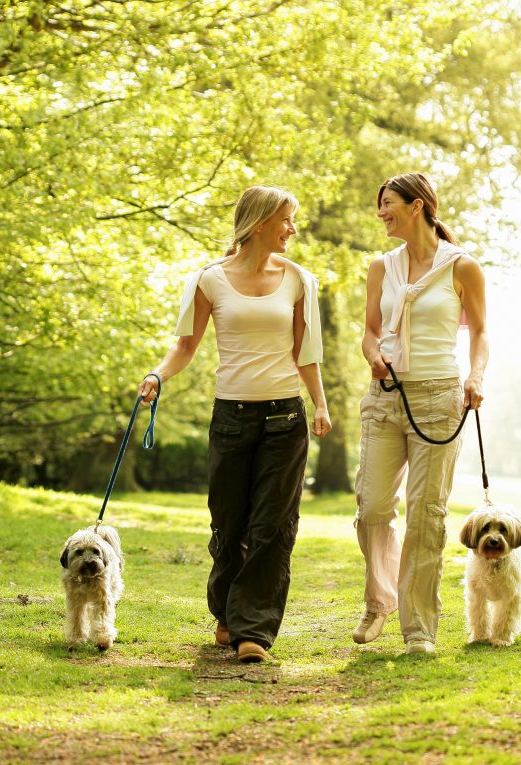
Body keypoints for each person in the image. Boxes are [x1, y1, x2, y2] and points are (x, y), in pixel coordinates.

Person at [139, 186, 331, 663]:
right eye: (286, 219)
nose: (292, 229)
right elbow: (185, 346)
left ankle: (254, 632)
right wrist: (157, 375)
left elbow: (306, 352)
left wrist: (321, 405)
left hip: (285, 416)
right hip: (232, 417)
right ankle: (227, 610)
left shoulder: (299, 279)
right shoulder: (210, 279)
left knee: (272, 526)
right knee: (228, 523)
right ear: (261, 221)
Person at [353, 172, 488, 655]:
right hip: (386, 398)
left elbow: (481, 334)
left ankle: (419, 630)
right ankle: (380, 601)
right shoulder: (380, 268)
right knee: (371, 507)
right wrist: (373, 355)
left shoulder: (462, 267)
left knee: (426, 518)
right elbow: (370, 331)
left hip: (438, 398)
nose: (380, 213)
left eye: (387, 203)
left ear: (417, 206)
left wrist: (475, 376)